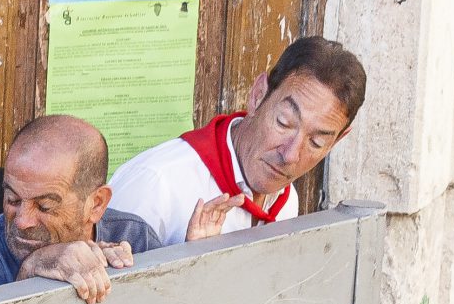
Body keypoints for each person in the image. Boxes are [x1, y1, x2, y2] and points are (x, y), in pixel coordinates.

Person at [107, 36, 365, 246]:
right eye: (284, 123)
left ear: (337, 141)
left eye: (316, 143)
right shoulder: (156, 183)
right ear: (257, 96)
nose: (290, 155)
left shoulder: (286, 203)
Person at [0, 115, 158, 304]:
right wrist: (31, 270)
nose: (22, 221)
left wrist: (114, 273)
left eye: (44, 207)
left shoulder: (135, 238)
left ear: (96, 204)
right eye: (13, 200)